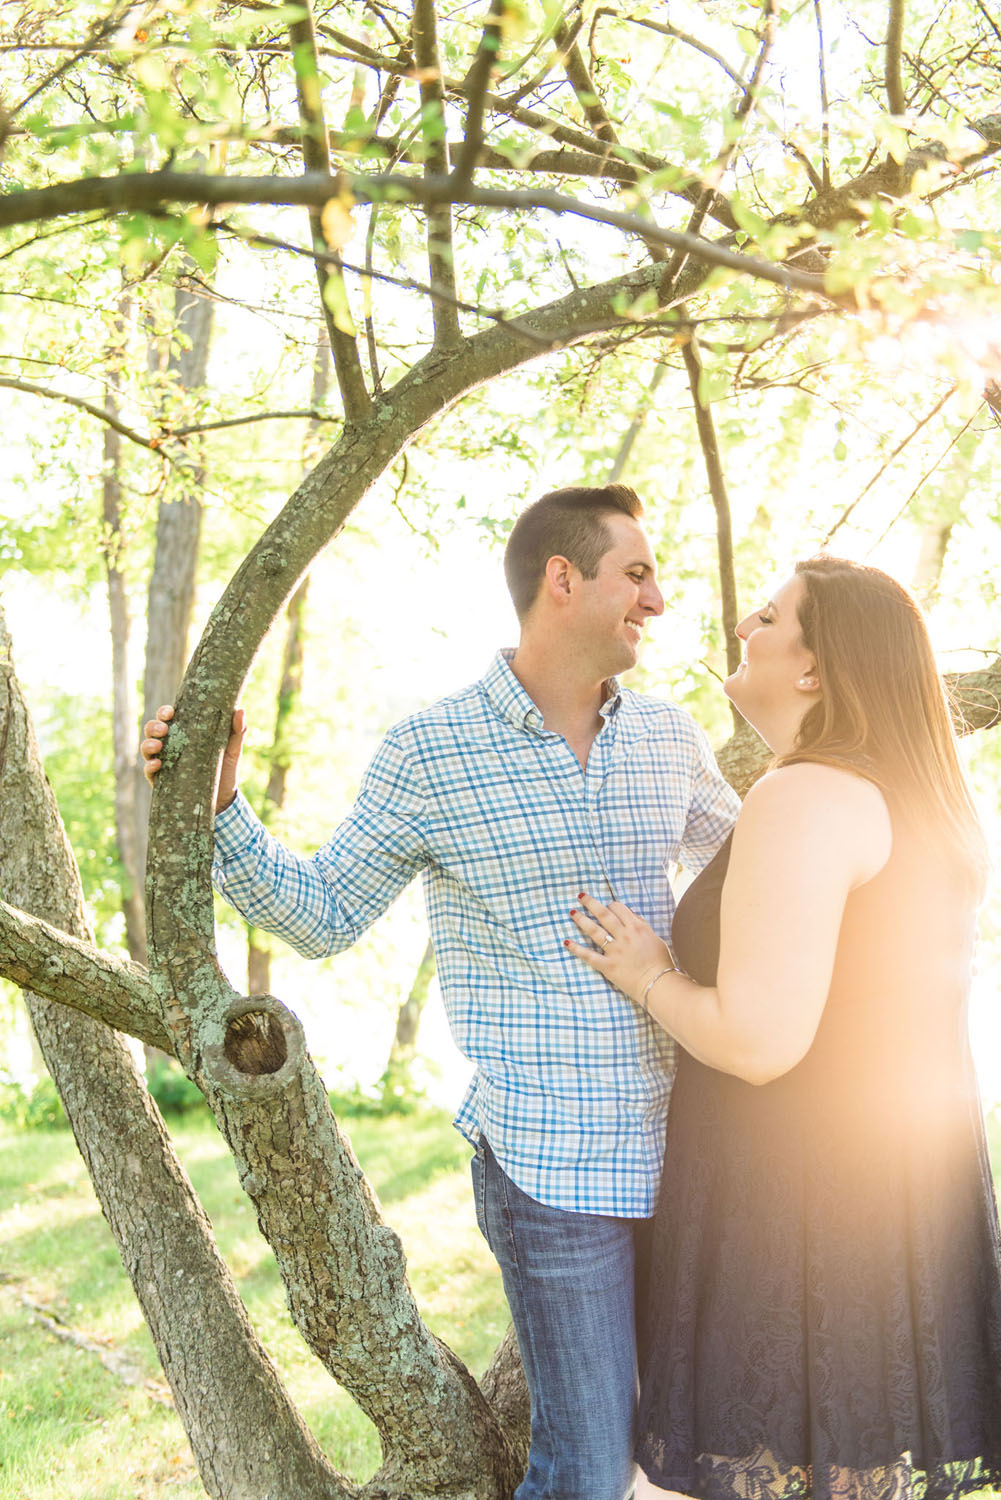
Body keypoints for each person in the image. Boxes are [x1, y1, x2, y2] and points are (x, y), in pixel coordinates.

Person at [142, 482, 740, 1500]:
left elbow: (762, 884)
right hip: (554, 1173)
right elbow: (322, 914)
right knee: (589, 1472)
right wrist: (222, 806)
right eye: (636, 573)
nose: (659, 598)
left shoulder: (670, 739)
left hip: (696, 1157)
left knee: (692, 1457)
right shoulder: (431, 752)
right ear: (563, 580)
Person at [566, 556, 1001, 1500]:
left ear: (813, 668)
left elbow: (759, 1042)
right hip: (884, 1207)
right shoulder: (914, 794)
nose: (740, 628)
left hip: (798, 1218)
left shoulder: (808, 795)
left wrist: (648, 975)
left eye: (766, 616)